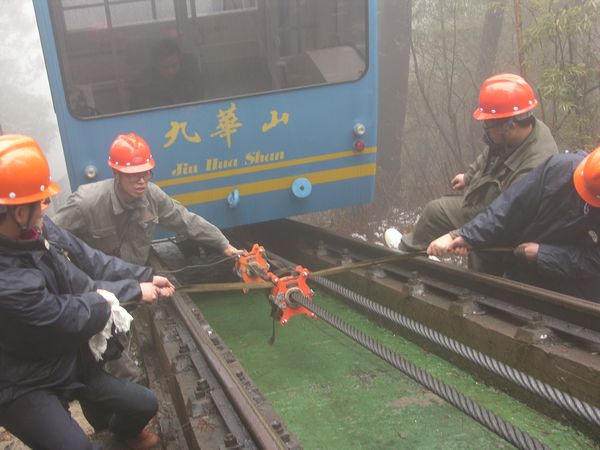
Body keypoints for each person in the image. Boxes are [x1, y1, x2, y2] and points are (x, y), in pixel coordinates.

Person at [0, 134, 175, 449]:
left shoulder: (36, 230)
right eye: (39, 201)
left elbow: (86, 263)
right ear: (15, 211)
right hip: (21, 381)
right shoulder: (8, 281)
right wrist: (115, 298)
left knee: (144, 403)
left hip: (63, 358)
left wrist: (141, 280)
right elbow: (65, 316)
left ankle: (123, 437)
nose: (47, 207)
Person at [395, 73, 558, 274]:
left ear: (511, 125)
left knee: (484, 261)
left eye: (489, 124)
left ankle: (482, 292)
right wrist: (470, 176)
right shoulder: (515, 132)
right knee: (435, 212)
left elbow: (506, 219)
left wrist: (459, 236)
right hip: (486, 203)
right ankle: (404, 257)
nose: (486, 129)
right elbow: (490, 153)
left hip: (503, 224)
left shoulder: (533, 168)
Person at [427, 147, 600, 302]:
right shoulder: (559, 169)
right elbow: (512, 204)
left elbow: (595, 261)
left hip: (579, 282)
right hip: (527, 266)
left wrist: (544, 254)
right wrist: (465, 236)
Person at [52, 132, 239, 267]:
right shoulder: (86, 203)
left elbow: (186, 220)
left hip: (137, 276)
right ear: (117, 174)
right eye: (134, 175)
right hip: (98, 284)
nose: (141, 181)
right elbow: (48, 235)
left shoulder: (152, 195)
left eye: (146, 173)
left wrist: (223, 244)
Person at [131, 38, 203, 109]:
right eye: (164, 67)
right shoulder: (144, 83)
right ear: (154, 64)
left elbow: (200, 96)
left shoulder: (190, 68)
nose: (170, 71)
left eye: (174, 65)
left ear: (180, 58)